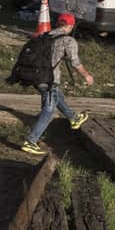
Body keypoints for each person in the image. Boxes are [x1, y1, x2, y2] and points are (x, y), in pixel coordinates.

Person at [21, 13, 93, 154]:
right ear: (71, 26)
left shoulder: (46, 35)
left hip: (36, 77)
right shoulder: (68, 41)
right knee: (49, 110)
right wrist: (86, 75)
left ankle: (74, 118)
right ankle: (31, 141)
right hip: (49, 80)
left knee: (57, 97)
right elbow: (75, 63)